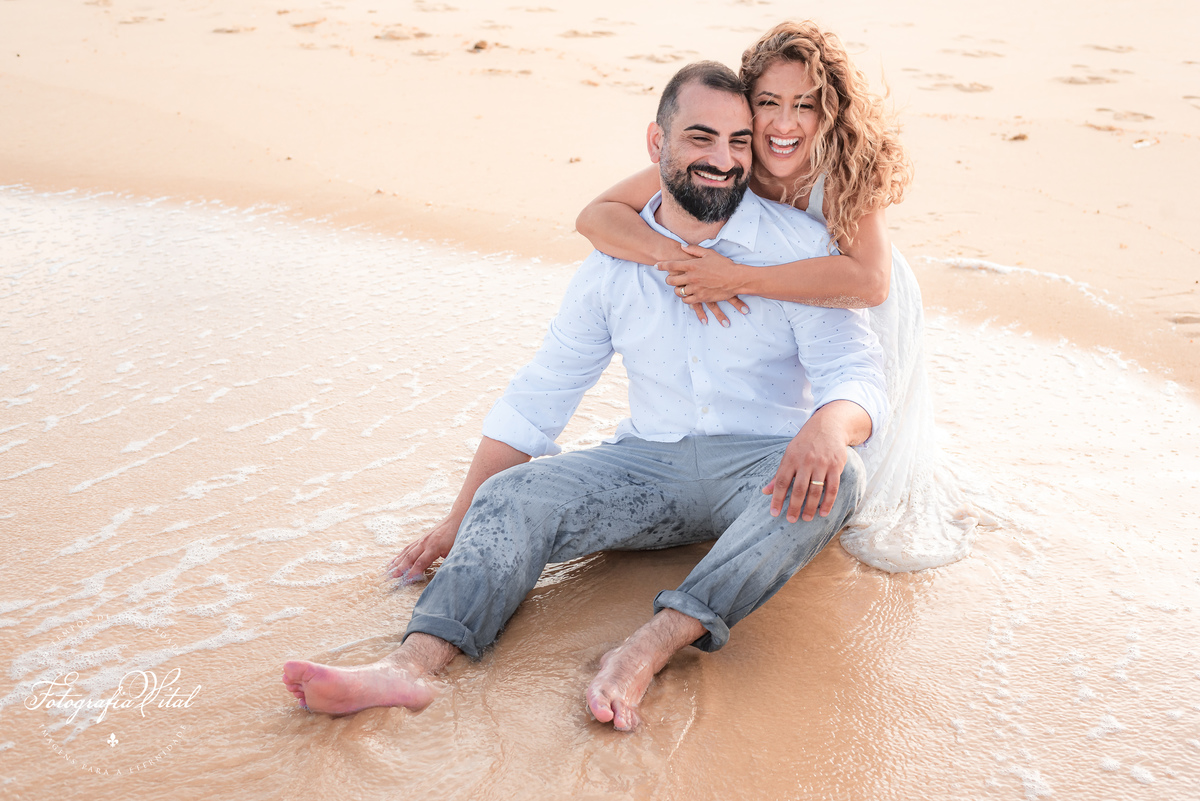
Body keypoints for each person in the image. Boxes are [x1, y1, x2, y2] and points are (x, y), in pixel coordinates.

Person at [281, 61, 888, 731]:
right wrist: (461, 517)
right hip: (645, 464)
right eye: (700, 138)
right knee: (509, 495)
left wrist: (832, 424)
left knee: (841, 476)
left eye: (739, 143)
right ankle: (413, 666)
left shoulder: (797, 247)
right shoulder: (611, 266)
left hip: (763, 471)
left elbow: (854, 372)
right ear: (657, 145)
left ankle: (652, 642)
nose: (722, 160)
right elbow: (541, 395)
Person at [577, 21, 981, 572]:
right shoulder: (726, 157)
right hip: (760, 288)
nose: (785, 124)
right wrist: (679, 260)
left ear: (829, 112)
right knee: (782, 396)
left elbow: (869, 282)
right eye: (768, 103)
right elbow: (595, 217)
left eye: (805, 105)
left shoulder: (846, 166)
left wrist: (737, 279)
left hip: (853, 293)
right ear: (747, 106)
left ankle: (830, 512)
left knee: (856, 422)